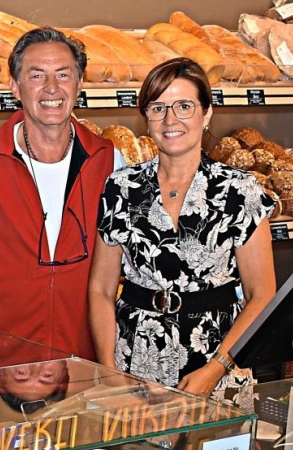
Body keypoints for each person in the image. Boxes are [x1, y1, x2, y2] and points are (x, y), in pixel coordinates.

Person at [88, 57, 278, 397]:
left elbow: (261, 295)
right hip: (135, 360)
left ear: (206, 114)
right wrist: (110, 371)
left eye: (184, 106)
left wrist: (216, 368)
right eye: (158, 108)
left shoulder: (239, 190)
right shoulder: (121, 187)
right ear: (146, 118)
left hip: (219, 358)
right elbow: (101, 289)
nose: (170, 119)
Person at [0, 28, 124, 369]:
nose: (51, 88)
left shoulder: (110, 162)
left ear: (79, 85)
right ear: (15, 87)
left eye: (63, 75)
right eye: (36, 75)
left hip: (84, 364)